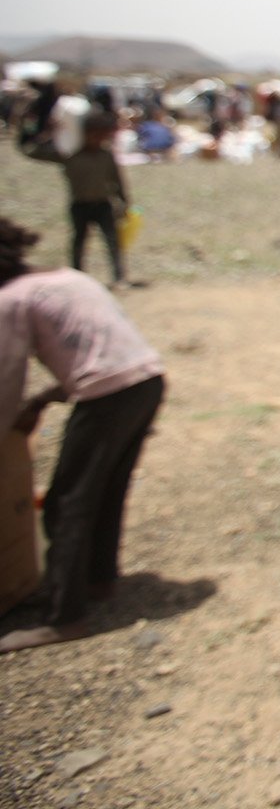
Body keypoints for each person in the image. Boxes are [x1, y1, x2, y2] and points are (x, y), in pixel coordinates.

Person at [0, 216, 167, 653]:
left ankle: (63, 615)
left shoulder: (11, 300)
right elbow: (102, 340)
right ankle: (98, 579)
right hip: (145, 380)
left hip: (107, 394)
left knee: (67, 503)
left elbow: (6, 378)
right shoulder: (63, 276)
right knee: (109, 486)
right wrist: (45, 398)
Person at [22, 111, 130, 287]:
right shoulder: (70, 155)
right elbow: (31, 151)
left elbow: (117, 181)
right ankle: (78, 278)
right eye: (95, 134)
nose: (98, 138)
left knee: (112, 241)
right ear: (84, 133)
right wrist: (50, 133)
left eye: (102, 134)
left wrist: (124, 203)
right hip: (80, 206)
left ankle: (119, 277)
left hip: (103, 205)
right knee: (79, 242)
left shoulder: (106, 155)